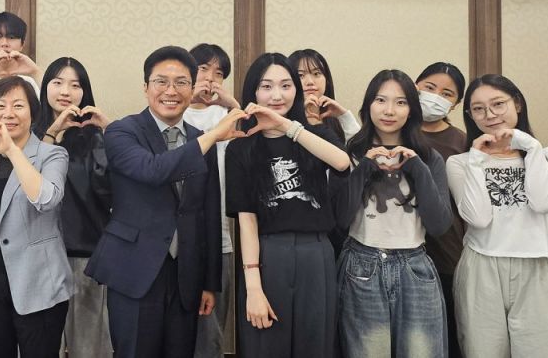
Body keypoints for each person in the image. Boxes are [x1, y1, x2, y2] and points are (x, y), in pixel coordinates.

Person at [86, 46, 248, 358]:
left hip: (185, 275)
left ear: (192, 88)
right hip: (135, 270)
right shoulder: (122, 131)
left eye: (181, 82)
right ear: (146, 87)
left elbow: (208, 213)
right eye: (161, 82)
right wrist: (212, 136)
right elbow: (152, 170)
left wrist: (209, 282)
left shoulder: (201, 138)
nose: (171, 91)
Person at [224, 52, 350, 358]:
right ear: (253, 92)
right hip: (268, 256)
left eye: (285, 85)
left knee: (315, 346)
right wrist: (253, 287)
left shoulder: (314, 134)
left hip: (316, 254)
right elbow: (247, 221)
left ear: (296, 90)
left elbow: (342, 162)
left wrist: (286, 125)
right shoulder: (240, 147)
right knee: (265, 345)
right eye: (266, 87)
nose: (277, 95)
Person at [447, 74, 548, 358]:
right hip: (482, 267)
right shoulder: (460, 163)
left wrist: (531, 148)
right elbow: (478, 219)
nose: (490, 114)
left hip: (538, 266)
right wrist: (477, 159)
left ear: (517, 103)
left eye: (498, 104)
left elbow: (543, 203)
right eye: (478, 109)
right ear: (470, 115)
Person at [334, 70, 452, 358]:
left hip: (415, 268)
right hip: (362, 265)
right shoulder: (350, 152)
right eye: (380, 100)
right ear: (368, 105)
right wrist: (364, 167)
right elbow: (340, 219)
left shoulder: (429, 157)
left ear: (412, 110)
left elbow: (439, 225)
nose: (389, 111)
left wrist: (417, 168)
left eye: (400, 102)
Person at [0, 76, 72, 357]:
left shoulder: (52, 154)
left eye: (18, 106)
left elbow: (46, 199)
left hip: (39, 282)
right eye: (0, 106)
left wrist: (13, 151)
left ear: (33, 113)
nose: (8, 113)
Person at [32, 57, 113, 358]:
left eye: (75, 85)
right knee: (39, 345)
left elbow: (110, 191)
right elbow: (26, 183)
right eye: (58, 82)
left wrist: (110, 132)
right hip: (37, 253)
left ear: (84, 92)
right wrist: (52, 132)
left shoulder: (94, 136)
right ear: (45, 87)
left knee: (89, 347)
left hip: (84, 254)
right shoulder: (30, 131)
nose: (65, 91)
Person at [185, 43, 239, 358]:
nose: (210, 78)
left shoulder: (227, 116)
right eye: (203, 68)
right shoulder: (171, 110)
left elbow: (254, 142)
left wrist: (231, 104)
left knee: (211, 336)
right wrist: (186, 97)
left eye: (218, 73)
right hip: (177, 240)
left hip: (218, 240)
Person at [414, 61, 468, 357]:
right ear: (415, 87)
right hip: (403, 253)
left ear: (456, 104)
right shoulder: (394, 131)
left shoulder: (462, 142)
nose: (436, 97)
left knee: (448, 339)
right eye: (430, 88)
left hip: (448, 253)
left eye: (447, 94)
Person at [288, 49, 361, 143]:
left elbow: (357, 150)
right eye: (300, 75)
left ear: (327, 80)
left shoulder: (336, 120)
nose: (310, 82)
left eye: (316, 74)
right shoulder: (284, 120)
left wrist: (344, 116)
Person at [0, 11, 41, 108]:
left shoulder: (32, 83)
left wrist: (36, 72)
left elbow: (48, 113)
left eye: (11, 37)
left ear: (22, 44)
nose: (5, 43)